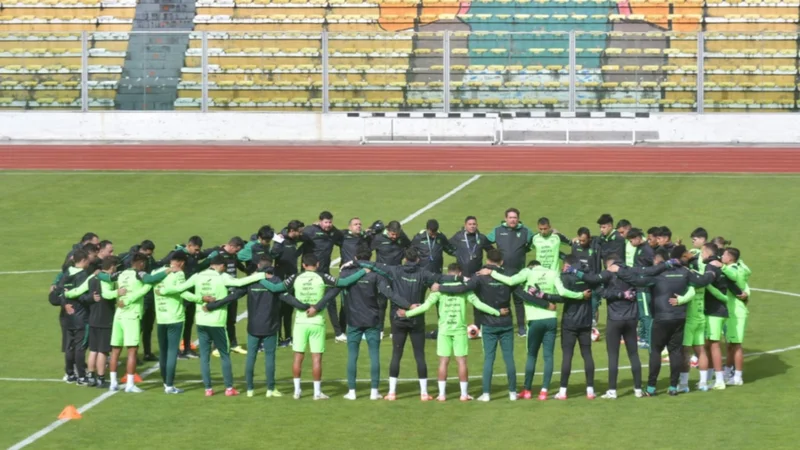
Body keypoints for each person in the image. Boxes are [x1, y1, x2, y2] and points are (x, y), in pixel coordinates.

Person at [480, 260, 588, 400]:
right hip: (551, 319)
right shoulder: (553, 272)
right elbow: (562, 292)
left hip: (534, 320)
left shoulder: (527, 272)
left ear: (530, 265)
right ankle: (544, 391)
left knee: (532, 356)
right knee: (548, 356)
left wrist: (492, 272)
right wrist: (580, 295)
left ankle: (528, 390)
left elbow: (511, 281)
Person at [163, 255, 270, 396]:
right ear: (220, 265)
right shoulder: (222, 277)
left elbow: (180, 289)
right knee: (225, 355)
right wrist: (262, 274)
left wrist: (165, 291)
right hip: (217, 323)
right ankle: (229, 388)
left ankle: (208, 389)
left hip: (201, 321)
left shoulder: (197, 276)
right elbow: (239, 283)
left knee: (205, 356)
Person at [205, 254, 310, 398]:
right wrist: (306, 307)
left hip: (253, 326)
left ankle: (250, 389)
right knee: (270, 357)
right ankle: (270, 389)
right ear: (271, 265)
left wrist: (213, 305)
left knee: (251, 357)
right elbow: (289, 298)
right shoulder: (275, 281)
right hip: (271, 326)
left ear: (258, 266)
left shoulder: (251, 282)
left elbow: (232, 297)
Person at [618, 245, 715, 396]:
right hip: (679, 318)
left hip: (661, 318)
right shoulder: (685, 272)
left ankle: (651, 387)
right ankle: (673, 387)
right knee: (675, 352)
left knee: (655, 352)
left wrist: (618, 271)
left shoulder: (658, 274)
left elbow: (636, 280)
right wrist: (712, 270)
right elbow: (702, 281)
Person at [401, 263, 505, 402]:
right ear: (460, 274)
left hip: (444, 330)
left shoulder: (438, 290)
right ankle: (463, 395)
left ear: (447, 273)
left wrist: (407, 313)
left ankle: (442, 395)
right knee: (461, 361)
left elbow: (425, 307)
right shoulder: (465, 290)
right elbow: (479, 305)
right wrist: (497, 312)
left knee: (443, 362)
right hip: (460, 331)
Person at [283, 254, 365, 400]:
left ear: (303, 265)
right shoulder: (322, 277)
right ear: (318, 264)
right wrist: (363, 271)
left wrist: (300, 305)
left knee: (297, 357)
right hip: (317, 322)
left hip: (300, 322)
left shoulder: (295, 277)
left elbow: (282, 292)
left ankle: (297, 391)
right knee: (316, 359)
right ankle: (317, 393)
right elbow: (342, 283)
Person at [338, 245, 407, 400]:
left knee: (352, 355)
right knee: (374, 355)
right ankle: (374, 392)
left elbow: (339, 283)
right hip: (373, 318)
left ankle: (352, 392)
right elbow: (389, 294)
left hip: (354, 320)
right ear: (370, 259)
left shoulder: (346, 273)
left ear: (355, 257)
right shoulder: (375, 275)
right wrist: (408, 305)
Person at [458, 249, 518, 401]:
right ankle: (512, 393)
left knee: (489, 359)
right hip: (506, 322)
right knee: (509, 357)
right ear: (501, 261)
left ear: (487, 259)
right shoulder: (508, 275)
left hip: (488, 323)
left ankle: (486, 394)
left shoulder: (479, 277)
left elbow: (464, 288)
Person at [108, 253, 159, 393]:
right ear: (141, 263)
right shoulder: (139, 274)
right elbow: (148, 285)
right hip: (132, 315)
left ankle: (113, 383)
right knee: (132, 350)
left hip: (118, 315)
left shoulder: (120, 274)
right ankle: (130, 384)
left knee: (115, 350)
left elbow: (109, 285)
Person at [156, 236, 213, 359]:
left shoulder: (193, 256)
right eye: (196, 250)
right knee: (178, 322)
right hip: (180, 292)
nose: (197, 252)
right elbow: (162, 264)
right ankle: (175, 350)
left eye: (199, 250)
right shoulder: (178, 255)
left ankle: (187, 348)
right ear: (189, 245)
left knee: (189, 322)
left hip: (191, 292)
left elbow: (195, 268)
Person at [150, 252, 197, 394]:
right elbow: (182, 292)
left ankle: (166, 383)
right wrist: (200, 299)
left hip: (161, 318)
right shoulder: (179, 274)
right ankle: (170, 386)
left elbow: (150, 282)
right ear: (182, 262)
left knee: (163, 352)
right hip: (175, 318)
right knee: (172, 352)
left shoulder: (157, 272)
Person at [550, 255, 595, 400]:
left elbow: (562, 297)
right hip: (586, 321)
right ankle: (590, 390)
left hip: (570, 322)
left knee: (567, 356)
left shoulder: (566, 277)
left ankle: (563, 391)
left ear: (567, 265)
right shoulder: (587, 275)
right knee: (587, 354)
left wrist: (544, 296)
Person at [486, 208, 535, 337]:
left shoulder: (525, 231)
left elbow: (533, 243)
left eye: (515, 217)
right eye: (510, 217)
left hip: (519, 274)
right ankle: (504, 327)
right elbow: (485, 242)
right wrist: (494, 254)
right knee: (502, 301)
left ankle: (521, 328)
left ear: (518, 219)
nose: (512, 220)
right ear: (506, 218)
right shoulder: (497, 231)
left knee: (519, 301)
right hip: (502, 273)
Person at [719, 247, 751, 386]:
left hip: (736, 312)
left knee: (736, 344)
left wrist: (722, 267)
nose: (722, 256)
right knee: (730, 344)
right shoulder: (741, 266)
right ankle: (728, 371)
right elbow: (746, 270)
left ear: (730, 258)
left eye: (724, 255)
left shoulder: (733, 270)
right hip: (733, 311)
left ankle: (738, 377)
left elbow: (733, 275)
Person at [271, 220, 305, 347]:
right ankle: (278, 337)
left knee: (289, 311)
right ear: (292, 231)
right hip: (281, 279)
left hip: (292, 280)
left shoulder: (294, 240)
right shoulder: (280, 240)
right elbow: (273, 254)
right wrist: (279, 242)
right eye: (300, 232)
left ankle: (288, 336)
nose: (301, 234)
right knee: (279, 311)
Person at [625, 228, 655, 349]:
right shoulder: (639, 248)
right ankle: (643, 337)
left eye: (631, 240)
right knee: (642, 314)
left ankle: (649, 340)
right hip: (639, 286)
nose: (631, 243)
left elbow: (654, 266)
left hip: (644, 287)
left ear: (638, 238)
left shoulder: (647, 250)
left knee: (646, 315)